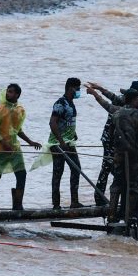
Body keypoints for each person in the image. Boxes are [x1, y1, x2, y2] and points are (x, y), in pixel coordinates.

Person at [90, 87, 138, 230]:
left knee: (116, 186)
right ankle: (128, 217)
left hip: (118, 155)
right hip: (134, 156)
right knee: (133, 187)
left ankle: (111, 216)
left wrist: (95, 93)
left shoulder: (116, 113)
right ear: (132, 100)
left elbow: (111, 132)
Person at [0, 84, 41, 211]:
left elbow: (17, 130)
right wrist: (3, 142)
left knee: (21, 174)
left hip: (14, 149)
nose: (8, 94)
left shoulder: (19, 110)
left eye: (11, 92)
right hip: (1, 149)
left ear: (17, 94)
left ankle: (18, 206)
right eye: (8, 91)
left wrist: (30, 141)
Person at [88, 80, 138, 205]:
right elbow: (109, 101)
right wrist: (97, 92)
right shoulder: (126, 101)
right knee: (107, 166)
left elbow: (110, 96)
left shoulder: (128, 101)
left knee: (116, 170)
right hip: (111, 139)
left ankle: (116, 200)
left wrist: (99, 89)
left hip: (120, 141)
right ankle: (100, 198)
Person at [44, 77, 82, 209]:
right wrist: (61, 141)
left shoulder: (71, 103)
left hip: (69, 142)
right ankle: (56, 204)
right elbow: (52, 122)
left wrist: (73, 133)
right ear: (71, 88)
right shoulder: (60, 103)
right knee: (58, 172)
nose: (79, 91)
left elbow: (67, 121)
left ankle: (74, 201)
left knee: (76, 169)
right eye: (78, 88)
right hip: (58, 144)